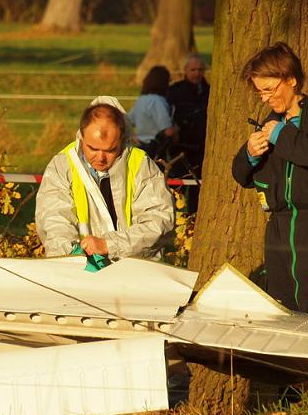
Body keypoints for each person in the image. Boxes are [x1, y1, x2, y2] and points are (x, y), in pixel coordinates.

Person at [231, 42, 308, 317]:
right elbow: (241, 175)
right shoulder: (268, 123)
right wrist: (249, 154)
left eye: (268, 90)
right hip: (279, 232)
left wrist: (282, 136)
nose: (264, 99)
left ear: (291, 80)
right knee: (281, 312)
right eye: (259, 92)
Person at [36, 96, 175, 262]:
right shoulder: (62, 165)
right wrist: (73, 258)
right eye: (93, 148)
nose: (101, 157)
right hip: (80, 271)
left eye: (110, 150)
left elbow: (158, 220)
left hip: (135, 272)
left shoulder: (140, 163)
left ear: (122, 141)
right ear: (81, 137)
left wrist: (109, 245)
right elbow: (53, 221)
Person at [167, 54, 210, 211]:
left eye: (200, 69)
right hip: (180, 146)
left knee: (197, 185)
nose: (196, 73)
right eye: (193, 70)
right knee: (177, 183)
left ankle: (193, 217)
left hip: (201, 146)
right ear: (185, 71)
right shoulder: (174, 91)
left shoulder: (209, 91)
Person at [126, 65, 178, 159]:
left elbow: (127, 122)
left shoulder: (141, 100)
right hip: (156, 150)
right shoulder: (158, 101)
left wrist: (133, 137)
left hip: (141, 147)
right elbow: (168, 130)